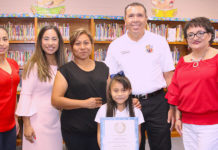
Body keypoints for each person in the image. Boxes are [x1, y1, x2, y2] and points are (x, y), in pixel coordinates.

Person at [105, 2, 175, 150]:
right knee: (132, 146)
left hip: (158, 103)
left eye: (139, 15)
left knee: (162, 146)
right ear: (125, 20)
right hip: (129, 103)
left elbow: (170, 76)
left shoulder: (159, 42)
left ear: (146, 18)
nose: (135, 19)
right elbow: (111, 80)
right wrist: (122, 101)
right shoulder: (116, 45)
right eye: (131, 16)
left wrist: (173, 106)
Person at [51, 28, 109, 150]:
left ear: (92, 45)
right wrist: (84, 103)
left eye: (86, 43)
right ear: (72, 47)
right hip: (75, 131)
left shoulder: (103, 67)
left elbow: (111, 95)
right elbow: (55, 100)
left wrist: (129, 102)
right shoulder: (65, 70)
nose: (82, 47)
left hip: (101, 128)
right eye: (78, 43)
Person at [166, 17, 218, 150]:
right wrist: (178, 117)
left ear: (210, 35)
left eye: (200, 33)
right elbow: (176, 91)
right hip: (187, 122)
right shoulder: (183, 61)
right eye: (190, 34)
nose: (195, 37)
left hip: (212, 123)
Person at [15, 25, 66, 150]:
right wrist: (26, 125)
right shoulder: (33, 65)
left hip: (56, 122)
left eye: (54, 39)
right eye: (46, 39)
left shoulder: (63, 65)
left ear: (59, 42)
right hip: (36, 122)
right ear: (40, 42)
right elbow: (26, 95)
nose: (50, 43)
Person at [95, 74, 145, 148]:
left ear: (130, 91)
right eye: (116, 90)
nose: (120, 94)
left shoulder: (136, 111)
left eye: (124, 90)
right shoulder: (103, 110)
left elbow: (138, 135)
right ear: (110, 91)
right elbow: (100, 134)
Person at [0, 27, 20, 150]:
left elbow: (14, 94)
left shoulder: (13, 63)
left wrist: (16, 118)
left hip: (11, 124)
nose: (1, 43)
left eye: (5, 39)